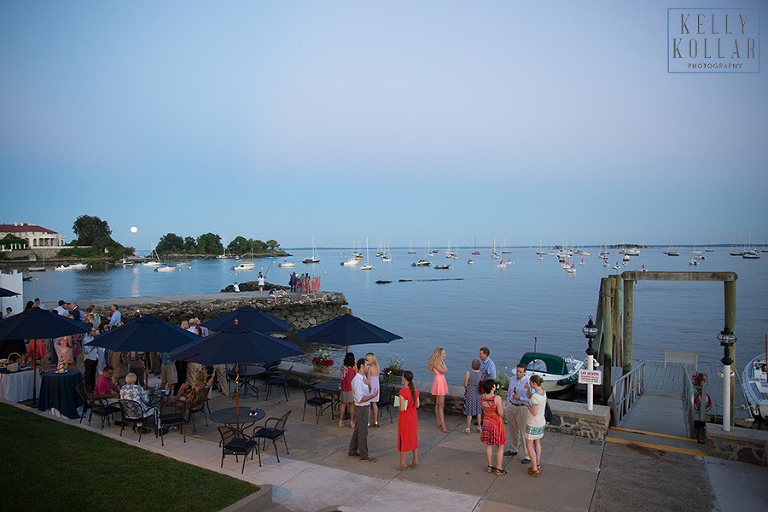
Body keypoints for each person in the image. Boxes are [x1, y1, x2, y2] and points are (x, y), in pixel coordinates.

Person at [348, 358, 378, 462]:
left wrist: (369, 384)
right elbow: (359, 399)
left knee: (358, 430)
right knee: (363, 432)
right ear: (362, 366)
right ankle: (364, 455)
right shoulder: (357, 381)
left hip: (364, 407)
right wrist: (372, 396)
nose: (369, 366)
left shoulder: (363, 378)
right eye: (367, 365)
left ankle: (352, 451)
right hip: (361, 408)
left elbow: (367, 391)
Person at [504, 362, 531, 462]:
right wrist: (508, 403)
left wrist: (520, 398)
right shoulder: (512, 379)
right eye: (517, 371)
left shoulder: (528, 382)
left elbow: (531, 398)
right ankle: (513, 449)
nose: (518, 373)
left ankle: (527, 455)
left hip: (522, 407)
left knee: (524, 431)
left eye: (520, 372)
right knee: (512, 429)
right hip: (512, 406)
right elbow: (509, 393)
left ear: (524, 372)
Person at [480, 379, 507, 476]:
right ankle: (499, 468)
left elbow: (484, 409)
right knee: (500, 445)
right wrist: (503, 405)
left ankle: (490, 466)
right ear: (492, 388)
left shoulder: (482, 397)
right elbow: (500, 413)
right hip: (496, 422)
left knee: (489, 444)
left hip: (487, 421)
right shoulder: (497, 398)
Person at [396, 370, 420, 470]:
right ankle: (415, 459)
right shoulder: (415, 390)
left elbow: (402, 408)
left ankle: (402, 462)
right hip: (413, 416)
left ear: (404, 379)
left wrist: (397, 406)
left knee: (403, 438)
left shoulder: (402, 392)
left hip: (405, 417)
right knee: (413, 437)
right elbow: (417, 405)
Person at [524, 375, 547, 477]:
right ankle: (537, 464)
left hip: (533, 423)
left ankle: (534, 468)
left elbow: (534, 412)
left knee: (529, 445)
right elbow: (530, 396)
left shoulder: (535, 397)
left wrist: (527, 406)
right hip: (541, 422)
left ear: (534, 383)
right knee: (537, 442)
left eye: (530, 383)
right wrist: (527, 390)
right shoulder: (543, 392)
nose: (529, 384)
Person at [428, 347, 449, 433]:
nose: (445, 355)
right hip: (439, 383)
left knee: (437, 403)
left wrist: (443, 363)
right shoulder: (436, 363)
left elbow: (445, 370)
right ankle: (443, 425)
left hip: (440, 381)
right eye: (443, 353)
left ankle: (439, 421)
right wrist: (443, 364)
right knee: (441, 405)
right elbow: (444, 371)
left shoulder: (439, 362)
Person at [463, 358, 483, 434]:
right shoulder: (481, 373)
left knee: (469, 411)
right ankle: (479, 427)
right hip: (477, 392)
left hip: (470, 392)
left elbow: (465, 384)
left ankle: (468, 428)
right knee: (478, 410)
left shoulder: (468, 373)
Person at [339, 352, 356, 428]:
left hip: (344, 388)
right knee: (351, 405)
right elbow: (356, 376)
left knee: (343, 404)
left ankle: (340, 421)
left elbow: (341, 376)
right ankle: (351, 422)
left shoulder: (343, 367)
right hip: (351, 388)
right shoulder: (354, 366)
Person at [366, 352, 381, 427]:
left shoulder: (369, 368)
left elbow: (368, 379)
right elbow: (377, 377)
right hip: (376, 386)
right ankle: (375, 420)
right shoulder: (377, 367)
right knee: (374, 404)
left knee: (368, 405)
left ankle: (368, 421)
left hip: (371, 386)